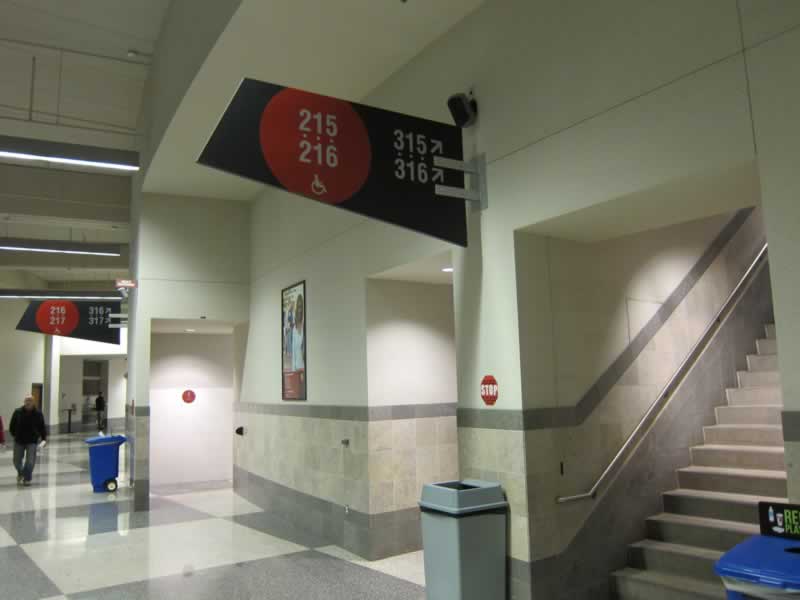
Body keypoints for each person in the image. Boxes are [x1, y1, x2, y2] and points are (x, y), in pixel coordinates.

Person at [9, 396, 47, 486]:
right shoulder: (17, 412)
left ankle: (27, 478)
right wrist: (16, 435)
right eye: (26, 400)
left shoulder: (38, 413)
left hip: (32, 441)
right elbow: (12, 426)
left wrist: (44, 439)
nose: (28, 402)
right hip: (19, 441)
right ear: (24, 402)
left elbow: (42, 427)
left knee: (30, 462)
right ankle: (21, 472)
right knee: (16, 461)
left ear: (34, 402)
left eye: (30, 401)